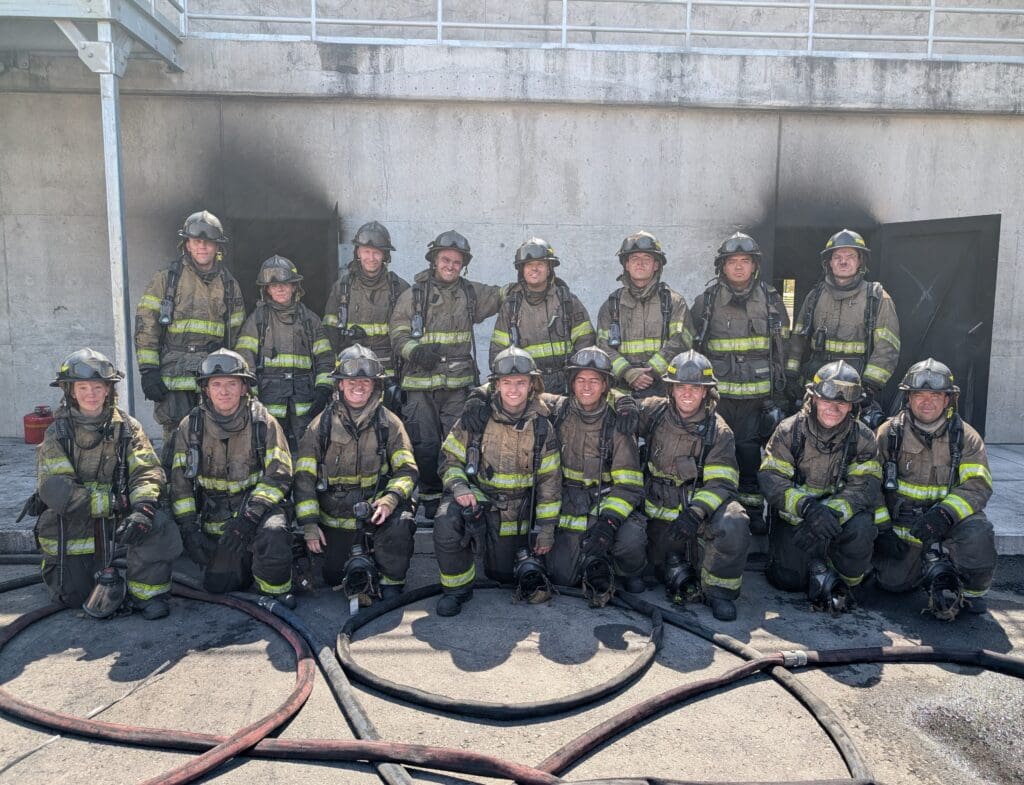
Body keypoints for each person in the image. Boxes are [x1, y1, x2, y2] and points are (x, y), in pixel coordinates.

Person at [33, 349, 181, 619]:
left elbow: (147, 470)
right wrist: (111, 503)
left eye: (97, 387)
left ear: (108, 391)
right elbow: (57, 489)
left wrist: (143, 508)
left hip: (121, 514)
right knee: (74, 597)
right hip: (75, 520)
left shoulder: (127, 427)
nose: (91, 393)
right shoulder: (57, 433)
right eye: (83, 387)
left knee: (158, 522)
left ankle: (146, 595)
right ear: (71, 391)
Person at [432, 347, 562, 617]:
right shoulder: (476, 417)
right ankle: (457, 590)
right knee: (447, 519)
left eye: (520, 383)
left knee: (501, 574)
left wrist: (546, 529)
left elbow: (549, 481)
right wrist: (460, 487)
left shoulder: (542, 426)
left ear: (531, 385)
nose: (513, 390)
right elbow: (449, 459)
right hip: (481, 501)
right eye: (507, 383)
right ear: (496, 385)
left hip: (518, 511)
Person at [389, 230, 504, 518]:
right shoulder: (413, 295)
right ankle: (429, 495)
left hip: (458, 386)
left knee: (457, 444)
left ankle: (455, 494)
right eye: (446, 260)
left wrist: (538, 279)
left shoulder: (471, 293)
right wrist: (415, 351)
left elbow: (503, 295)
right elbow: (398, 333)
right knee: (424, 443)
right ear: (434, 260)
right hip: (419, 386)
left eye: (457, 262)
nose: (451, 266)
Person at [169, 349, 296, 606]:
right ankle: (248, 565)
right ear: (206, 389)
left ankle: (275, 591)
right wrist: (189, 529)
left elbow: (279, 475)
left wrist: (248, 519)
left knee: (274, 532)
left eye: (231, 384)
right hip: (216, 520)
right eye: (216, 384)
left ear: (243, 388)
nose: (223, 391)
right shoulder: (190, 427)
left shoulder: (263, 423)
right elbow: (180, 483)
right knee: (218, 585)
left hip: (256, 514)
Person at [873, 359, 996, 618]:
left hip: (948, 524)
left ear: (948, 399)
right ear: (908, 397)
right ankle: (925, 569)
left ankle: (971, 592)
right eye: (919, 394)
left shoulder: (966, 437)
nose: (926, 401)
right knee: (890, 583)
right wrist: (884, 530)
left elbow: (977, 486)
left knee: (978, 532)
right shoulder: (888, 434)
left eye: (935, 395)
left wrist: (944, 514)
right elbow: (869, 484)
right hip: (905, 528)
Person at [294, 345, 418, 601]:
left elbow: (407, 471)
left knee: (402, 521)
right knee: (332, 576)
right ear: (339, 385)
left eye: (365, 381)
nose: (358, 386)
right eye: (351, 381)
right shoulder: (321, 426)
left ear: (375, 385)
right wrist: (309, 524)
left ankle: (392, 582)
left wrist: (390, 499)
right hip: (336, 519)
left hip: (376, 517)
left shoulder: (390, 424)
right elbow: (304, 478)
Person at [637, 350, 751, 621]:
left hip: (694, 514)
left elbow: (722, 483)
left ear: (706, 393)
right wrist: (624, 405)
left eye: (695, 388)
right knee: (654, 563)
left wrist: (696, 512)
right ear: (671, 389)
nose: (687, 393)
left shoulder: (719, 431)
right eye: (681, 387)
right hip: (657, 509)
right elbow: (600, 398)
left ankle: (718, 592)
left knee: (734, 519)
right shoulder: (653, 411)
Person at [759, 361, 881, 612]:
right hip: (797, 519)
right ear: (813, 399)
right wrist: (807, 509)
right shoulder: (789, 431)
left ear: (852, 405)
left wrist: (830, 514)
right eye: (826, 400)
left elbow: (865, 487)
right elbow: (772, 479)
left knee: (862, 527)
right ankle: (814, 566)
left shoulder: (864, 438)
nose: (833, 408)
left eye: (842, 402)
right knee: (786, 581)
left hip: (839, 520)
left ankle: (848, 584)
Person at [692, 232, 790, 535]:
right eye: (732, 261)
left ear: (754, 265)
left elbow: (783, 349)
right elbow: (694, 350)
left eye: (744, 261)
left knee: (750, 457)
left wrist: (783, 394)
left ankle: (751, 514)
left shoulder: (772, 301)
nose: (738, 267)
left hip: (757, 400)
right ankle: (718, 509)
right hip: (718, 400)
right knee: (716, 455)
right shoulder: (706, 302)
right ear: (722, 266)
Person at [135, 210, 245, 465]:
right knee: (175, 439)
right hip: (173, 374)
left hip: (212, 375)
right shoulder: (166, 280)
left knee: (215, 435)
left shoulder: (229, 285)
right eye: (197, 241)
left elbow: (238, 335)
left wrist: (235, 376)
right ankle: (175, 493)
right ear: (187, 244)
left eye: (208, 242)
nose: (203, 246)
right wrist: (148, 370)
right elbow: (146, 325)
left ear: (217, 246)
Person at [786, 229, 900, 426]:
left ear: (860, 261)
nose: (843, 261)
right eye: (837, 256)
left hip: (856, 388)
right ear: (829, 262)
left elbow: (887, 346)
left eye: (850, 256)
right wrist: (790, 377)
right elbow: (798, 339)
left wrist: (869, 387)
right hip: (817, 384)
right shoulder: (814, 297)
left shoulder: (877, 297)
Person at [235, 255, 334, 450]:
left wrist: (323, 390)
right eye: (274, 286)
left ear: (295, 287)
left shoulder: (310, 321)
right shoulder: (257, 321)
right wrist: (251, 395)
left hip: (305, 398)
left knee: (309, 447)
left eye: (285, 284)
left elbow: (326, 359)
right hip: (268, 397)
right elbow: (245, 359)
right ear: (267, 290)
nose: (280, 289)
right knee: (269, 446)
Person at [489, 237, 595, 394]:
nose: (535, 269)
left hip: (566, 384)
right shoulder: (511, 306)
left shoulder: (567, 301)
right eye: (529, 265)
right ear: (522, 270)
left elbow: (586, 343)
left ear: (549, 268)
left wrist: (576, 379)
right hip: (528, 385)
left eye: (540, 264)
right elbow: (498, 352)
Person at [322, 221, 410, 394]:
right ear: (358, 253)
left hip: (389, 374)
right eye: (366, 252)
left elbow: (408, 335)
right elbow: (329, 333)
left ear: (385, 255)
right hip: (352, 373)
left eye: (377, 253)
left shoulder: (399, 288)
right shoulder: (342, 287)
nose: (371, 258)